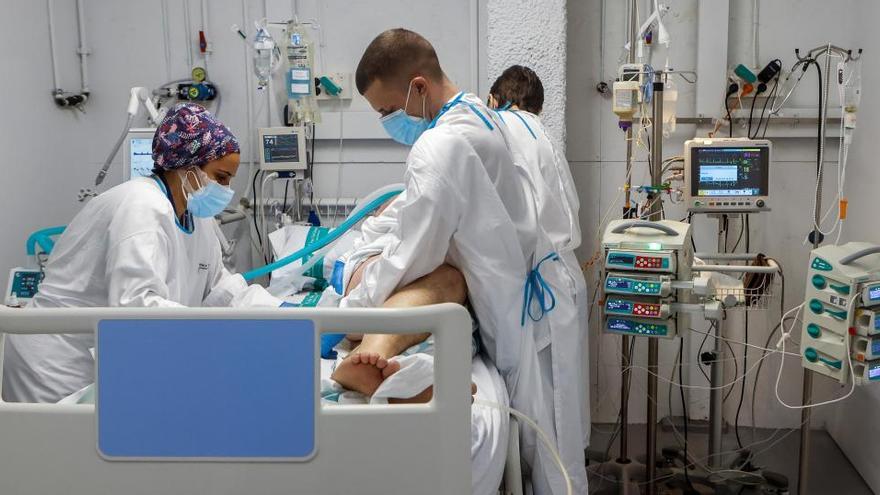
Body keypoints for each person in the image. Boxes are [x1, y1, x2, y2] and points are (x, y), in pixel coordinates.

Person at [322, 29, 587, 494]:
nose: (387, 122)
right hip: (534, 295)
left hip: (514, 306)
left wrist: (346, 307)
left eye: (387, 110)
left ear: (419, 87)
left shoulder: (438, 147)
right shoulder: (484, 116)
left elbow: (409, 256)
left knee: (545, 452)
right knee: (550, 445)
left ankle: (378, 356)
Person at [3, 103, 280, 404]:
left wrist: (292, 319)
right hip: (59, 365)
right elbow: (136, 306)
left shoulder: (196, 216)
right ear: (187, 166)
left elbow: (221, 290)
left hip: (104, 359)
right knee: (61, 447)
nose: (227, 190)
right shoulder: (142, 206)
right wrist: (212, 339)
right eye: (221, 177)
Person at [488, 65, 590, 452]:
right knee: (565, 404)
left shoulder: (504, 130)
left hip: (541, 286)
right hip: (563, 277)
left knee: (548, 414)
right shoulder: (540, 132)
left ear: (496, 100)